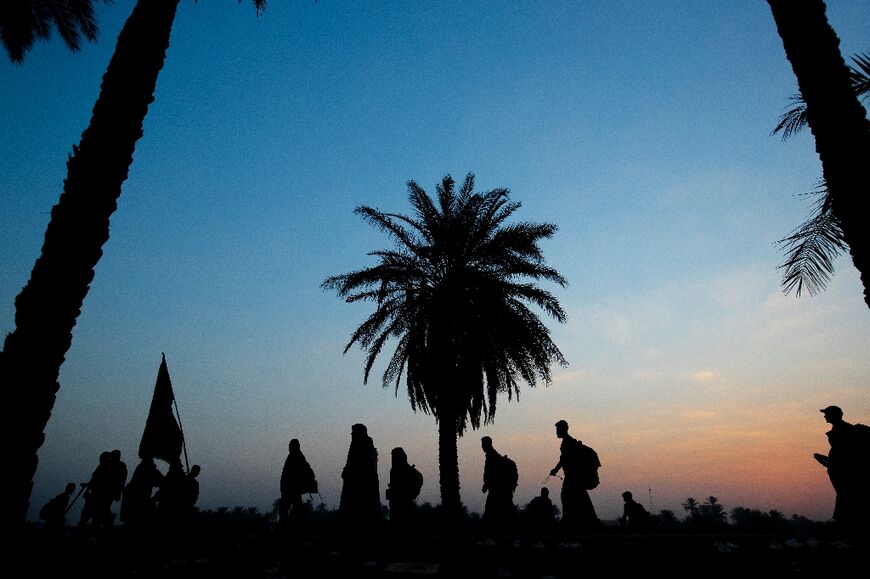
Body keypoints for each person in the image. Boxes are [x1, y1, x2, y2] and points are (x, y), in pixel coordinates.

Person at [814, 405, 870, 539]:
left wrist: (834, 463)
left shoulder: (845, 430)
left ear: (834, 415)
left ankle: (848, 533)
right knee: (845, 499)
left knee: (847, 500)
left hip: (846, 474)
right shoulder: (841, 430)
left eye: (826, 414)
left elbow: (848, 454)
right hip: (840, 472)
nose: (824, 416)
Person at [549, 420, 601, 532]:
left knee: (567, 496)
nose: (556, 432)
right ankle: (589, 521)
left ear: (564, 429)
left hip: (573, 476)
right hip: (574, 476)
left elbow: (564, 459)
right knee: (580, 497)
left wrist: (555, 470)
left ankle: (569, 521)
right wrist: (556, 470)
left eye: (558, 429)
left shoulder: (568, 443)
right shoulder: (567, 442)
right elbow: (564, 459)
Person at [338, 424, 383, 534]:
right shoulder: (364, 447)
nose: (352, 436)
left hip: (360, 492)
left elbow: (360, 469)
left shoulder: (362, 447)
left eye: (354, 433)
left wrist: (348, 472)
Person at [279, 439, 318, 528]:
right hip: (292, 489)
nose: (289, 447)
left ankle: (291, 528)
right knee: (293, 509)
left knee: (288, 510)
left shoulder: (297, 457)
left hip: (292, 489)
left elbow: (305, 470)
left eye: (290, 446)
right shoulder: (296, 456)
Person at [481, 436, 517, 529]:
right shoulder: (492, 455)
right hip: (501, 489)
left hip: (496, 489)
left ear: (487, 444)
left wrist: (486, 484)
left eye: (483, 444)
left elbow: (491, 472)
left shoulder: (491, 456)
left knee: (492, 510)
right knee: (504, 509)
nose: (482, 447)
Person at [120, 457, 164, 530]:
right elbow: (162, 482)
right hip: (138, 505)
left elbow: (161, 481)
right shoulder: (148, 468)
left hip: (133, 504)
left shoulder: (143, 467)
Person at [386, 447, 422, 532]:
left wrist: (411, 492)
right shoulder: (394, 470)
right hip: (395, 505)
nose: (393, 458)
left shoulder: (408, 470)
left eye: (395, 456)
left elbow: (419, 478)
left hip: (404, 504)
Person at [78, 451, 115, 529]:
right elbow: (95, 481)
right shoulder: (102, 468)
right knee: (96, 517)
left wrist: (89, 485)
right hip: (96, 496)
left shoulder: (106, 469)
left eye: (101, 458)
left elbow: (100, 482)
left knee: (94, 517)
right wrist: (88, 485)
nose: (100, 460)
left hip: (98, 497)